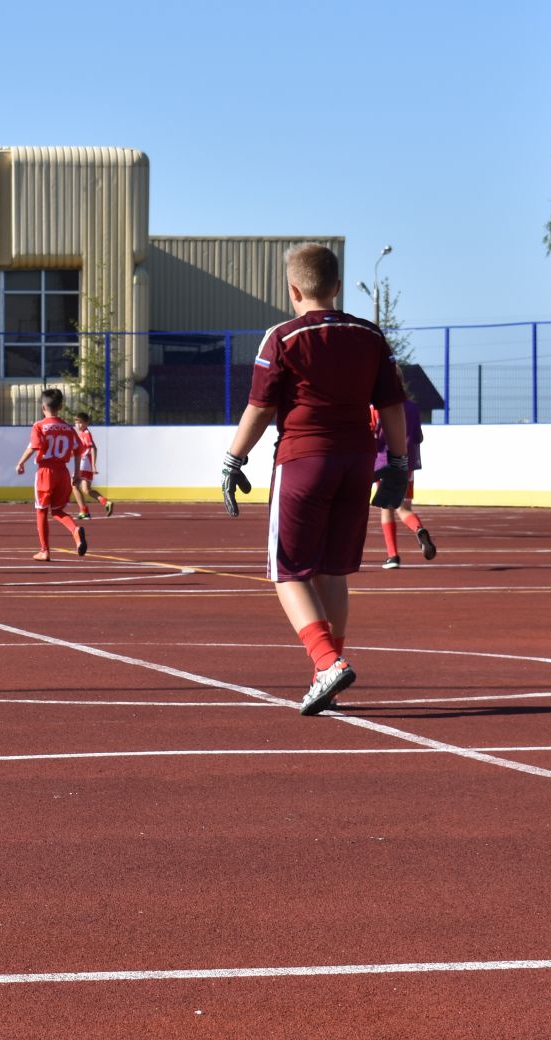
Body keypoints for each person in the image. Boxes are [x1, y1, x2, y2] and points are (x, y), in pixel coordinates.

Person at [220, 242, 409, 715]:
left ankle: (326, 663)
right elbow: (391, 406)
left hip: (304, 459)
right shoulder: (370, 335)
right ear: (338, 286)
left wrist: (233, 460)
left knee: (286, 570)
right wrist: (399, 464)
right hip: (357, 462)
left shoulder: (282, 337)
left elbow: (261, 408)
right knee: (332, 571)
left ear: (293, 289)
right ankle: (330, 671)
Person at [14, 389, 87, 561]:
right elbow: (77, 451)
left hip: (46, 472)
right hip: (63, 471)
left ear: (42, 407)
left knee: (41, 510)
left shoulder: (39, 426)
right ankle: (75, 530)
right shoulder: (69, 428)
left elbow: (34, 446)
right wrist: (77, 473)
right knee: (57, 510)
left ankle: (44, 550)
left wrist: (21, 462)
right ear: (60, 407)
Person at [375, 400, 435, 568]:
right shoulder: (413, 407)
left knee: (387, 509)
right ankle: (418, 529)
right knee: (404, 508)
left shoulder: (379, 407)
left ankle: (393, 556)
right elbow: (418, 437)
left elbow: (375, 435)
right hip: (407, 464)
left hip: (385, 462)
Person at [71, 412, 114, 519]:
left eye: (81, 422)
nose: (78, 424)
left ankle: (84, 511)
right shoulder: (82, 434)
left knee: (74, 485)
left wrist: (93, 465)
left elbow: (92, 448)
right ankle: (105, 502)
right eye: (76, 422)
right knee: (86, 490)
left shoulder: (85, 433)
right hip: (87, 465)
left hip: (83, 464)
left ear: (86, 423)